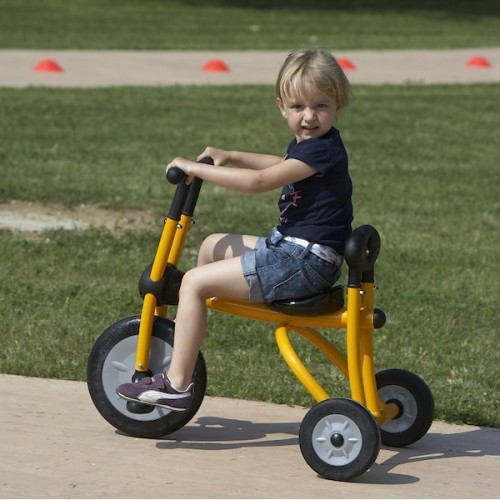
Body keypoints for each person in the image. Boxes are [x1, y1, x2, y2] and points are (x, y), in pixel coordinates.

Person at [116, 48, 353, 411]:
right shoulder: (314, 146)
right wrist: (231, 154)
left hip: (302, 262)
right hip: (297, 252)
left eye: (320, 106)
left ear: (338, 104)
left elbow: (259, 182)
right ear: (281, 106)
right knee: (212, 245)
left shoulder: (322, 150)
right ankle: (183, 349)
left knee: (194, 282)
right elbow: (284, 164)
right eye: (298, 107)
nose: (309, 116)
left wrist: (198, 169)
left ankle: (177, 385)